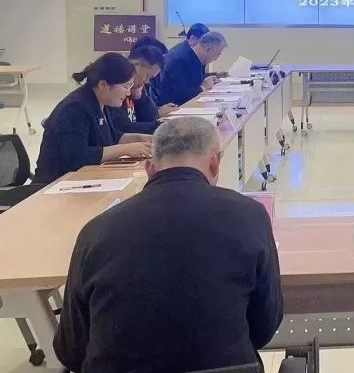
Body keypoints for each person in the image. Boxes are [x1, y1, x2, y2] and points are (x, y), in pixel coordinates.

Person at [55, 117, 283, 373]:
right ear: (215, 163)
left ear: (150, 169)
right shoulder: (251, 216)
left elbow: (71, 349)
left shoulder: (96, 231)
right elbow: (264, 326)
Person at [35, 53, 152, 184]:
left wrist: (137, 138)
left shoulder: (101, 101)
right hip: (55, 184)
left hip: (83, 180)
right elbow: (78, 157)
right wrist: (124, 149)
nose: (128, 93)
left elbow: (106, 137)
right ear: (103, 85)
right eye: (125, 87)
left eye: (130, 86)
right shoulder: (75, 108)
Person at [108, 45, 165, 135]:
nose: (147, 81)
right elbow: (123, 127)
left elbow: (152, 118)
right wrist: (161, 126)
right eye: (147, 75)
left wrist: (140, 98)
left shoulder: (138, 85)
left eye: (150, 78)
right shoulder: (116, 85)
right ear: (135, 64)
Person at [158, 31, 227, 106]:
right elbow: (179, 94)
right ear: (208, 47)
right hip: (173, 107)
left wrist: (206, 79)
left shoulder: (194, 57)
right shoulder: (180, 59)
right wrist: (203, 87)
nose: (216, 58)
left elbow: (191, 81)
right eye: (218, 54)